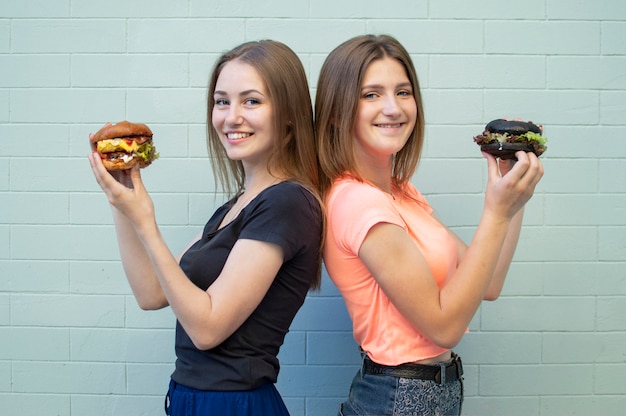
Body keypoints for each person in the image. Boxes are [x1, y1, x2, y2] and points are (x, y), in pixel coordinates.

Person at [88, 40, 323, 416]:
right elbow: (152, 293)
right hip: (192, 398)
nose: (231, 117)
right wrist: (122, 196)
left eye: (251, 101)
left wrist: (147, 221)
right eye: (221, 101)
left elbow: (208, 329)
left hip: (233, 404)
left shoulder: (287, 202)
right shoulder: (234, 208)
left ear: (289, 114)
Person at [314, 34, 544, 415]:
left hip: (428, 394)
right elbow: (443, 328)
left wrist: (511, 193)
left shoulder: (401, 193)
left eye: (403, 92)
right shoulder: (357, 202)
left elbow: (487, 284)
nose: (393, 107)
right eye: (371, 94)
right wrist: (496, 212)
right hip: (399, 398)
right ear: (338, 111)